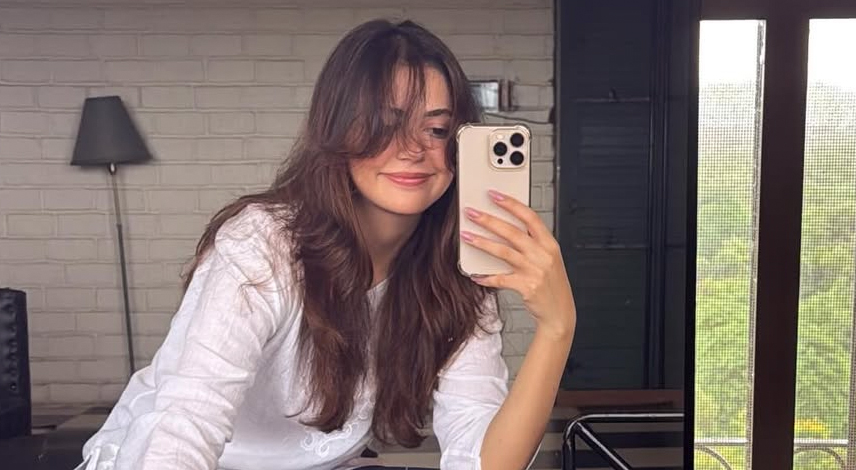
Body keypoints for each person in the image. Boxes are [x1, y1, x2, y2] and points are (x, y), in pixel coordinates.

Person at [77, 18, 576, 470]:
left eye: (437, 129)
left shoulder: (456, 267)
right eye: (385, 123)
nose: (412, 149)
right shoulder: (262, 244)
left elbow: (484, 462)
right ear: (337, 129)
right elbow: (185, 422)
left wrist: (557, 329)